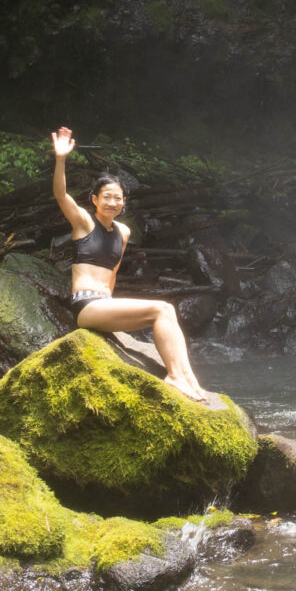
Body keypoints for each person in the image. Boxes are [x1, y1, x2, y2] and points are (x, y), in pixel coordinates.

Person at [50, 128, 214, 404]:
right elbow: (60, 194)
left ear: (124, 203)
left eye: (118, 198)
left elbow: (112, 274)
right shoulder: (84, 223)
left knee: (168, 312)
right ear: (95, 200)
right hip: (85, 305)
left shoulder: (123, 232)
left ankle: (188, 376)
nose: (112, 202)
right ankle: (174, 376)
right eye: (106, 197)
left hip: (104, 304)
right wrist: (61, 159)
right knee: (162, 309)